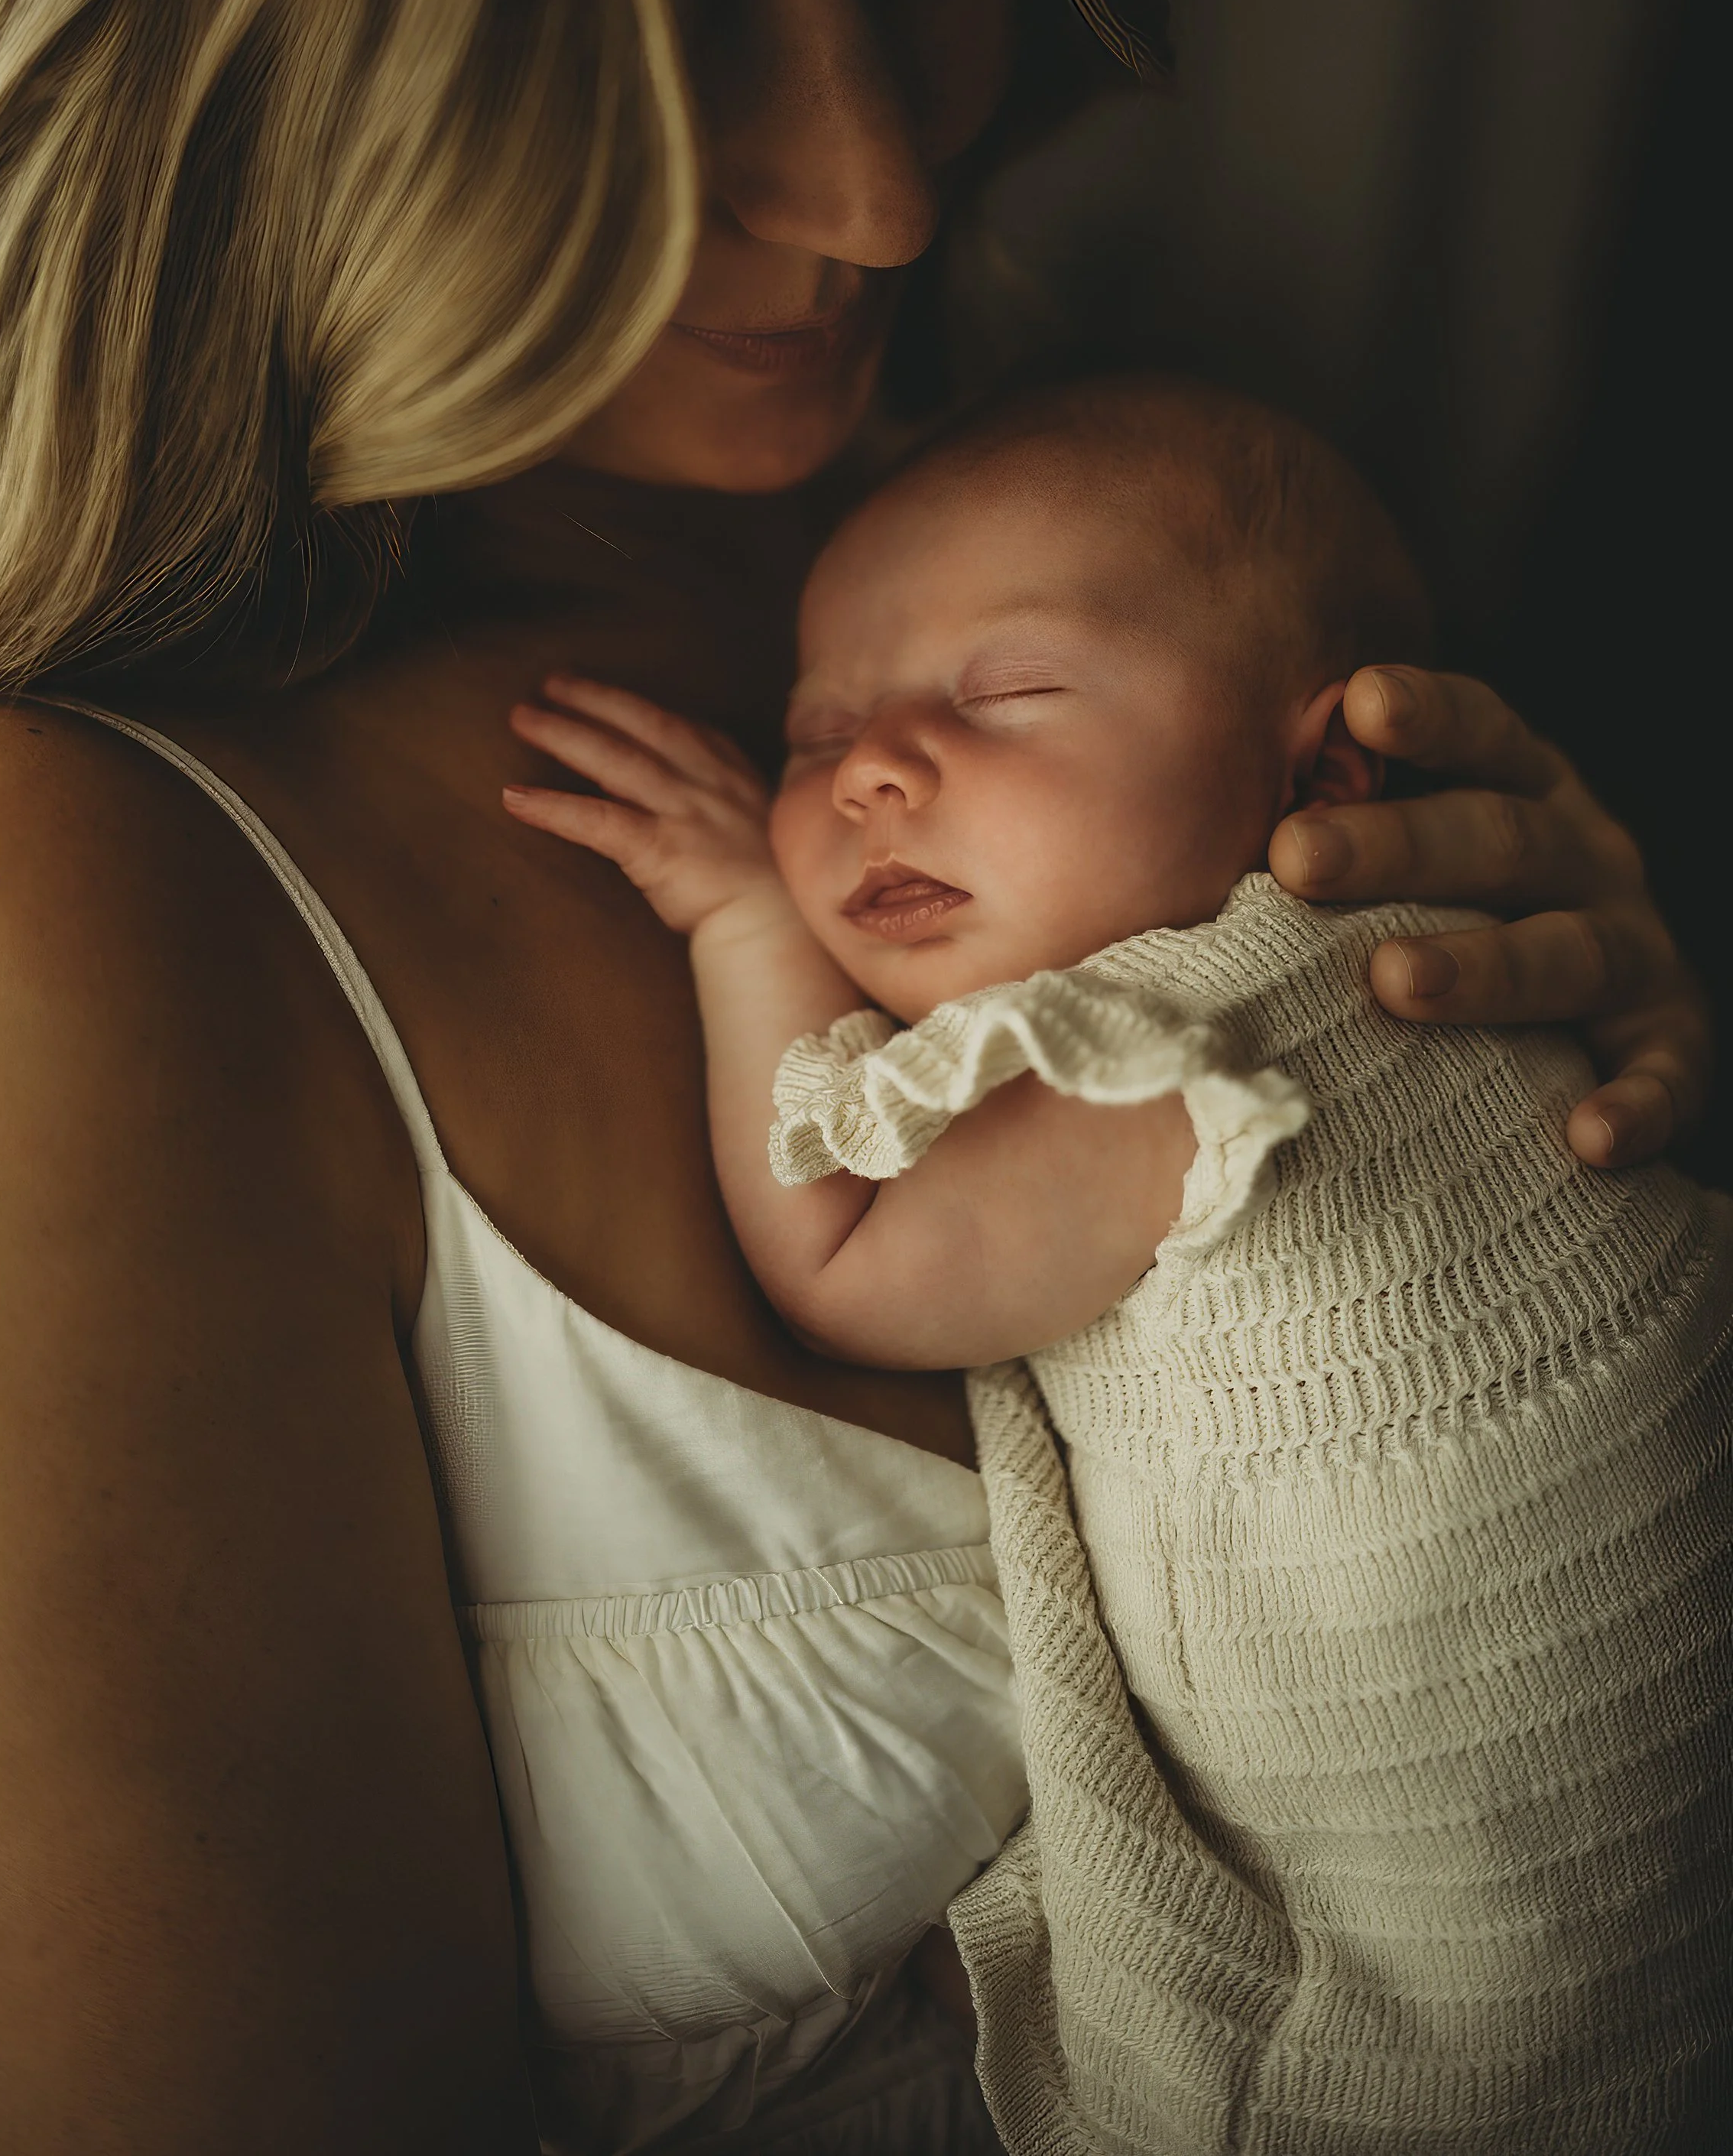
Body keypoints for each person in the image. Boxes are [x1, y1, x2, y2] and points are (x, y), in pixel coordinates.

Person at [0, 0, 1709, 2151]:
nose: (872, 177)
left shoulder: (1102, 568)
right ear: (230, 6)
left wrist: (1567, 1140)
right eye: (648, 9)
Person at [506, 372, 1733, 2148]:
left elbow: (844, 1253)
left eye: (1006, 694)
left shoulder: (1197, 1046)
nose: (869, 771)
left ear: (1324, 772)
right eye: (807, 731)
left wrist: (737, 918)